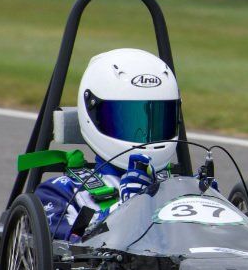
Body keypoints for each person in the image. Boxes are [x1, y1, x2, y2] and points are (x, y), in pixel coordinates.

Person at [35, 47, 183, 241]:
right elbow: (62, 246)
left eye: (156, 123)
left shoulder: (181, 187)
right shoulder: (63, 192)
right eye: (129, 122)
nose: (144, 136)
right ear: (94, 115)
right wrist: (121, 212)